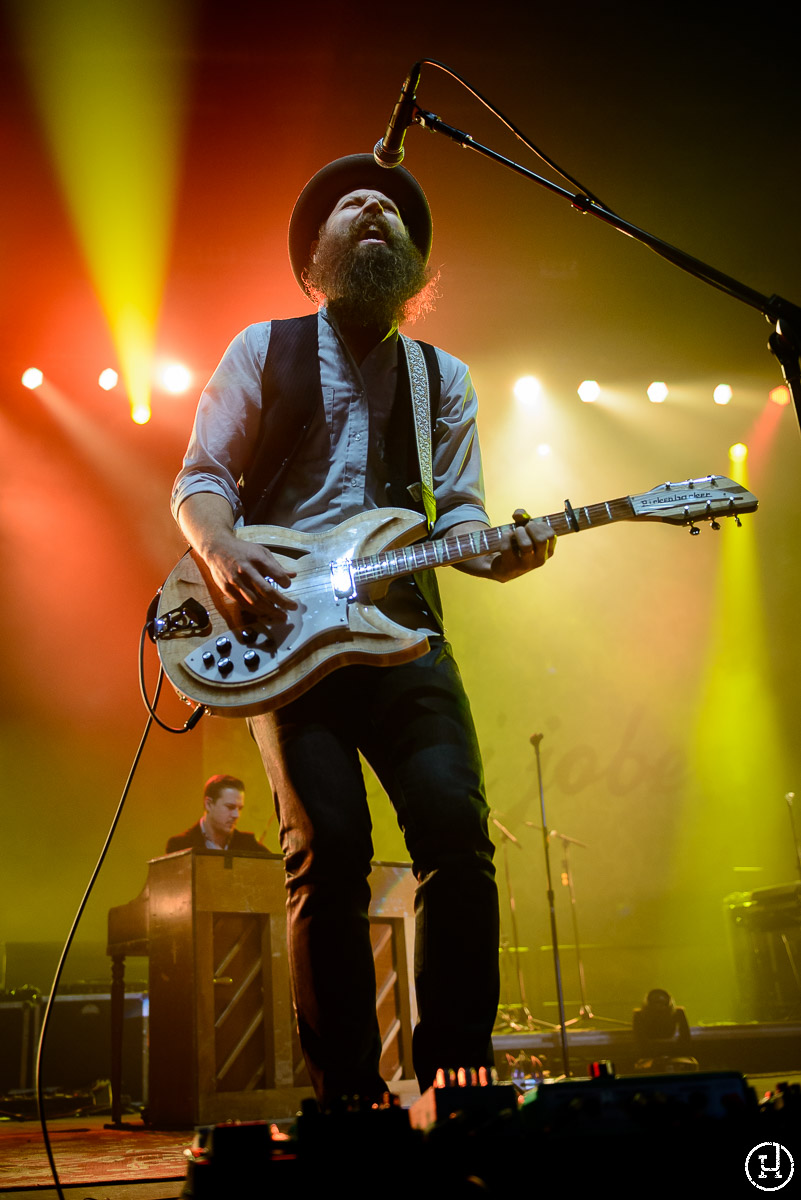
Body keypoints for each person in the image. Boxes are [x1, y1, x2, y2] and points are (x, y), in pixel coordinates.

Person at [171, 153, 557, 1106]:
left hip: (401, 632)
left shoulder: (443, 380)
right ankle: (348, 1092)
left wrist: (498, 551)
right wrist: (219, 553)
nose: (374, 205)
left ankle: (459, 1072)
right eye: (352, 203)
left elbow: (459, 518)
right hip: (287, 644)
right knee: (329, 851)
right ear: (315, 257)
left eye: (392, 207)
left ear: (417, 266)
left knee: (454, 835)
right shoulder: (261, 349)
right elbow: (200, 479)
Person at [165, 773, 272, 855]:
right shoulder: (179, 846)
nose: (236, 815)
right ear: (208, 804)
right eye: (230, 807)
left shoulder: (250, 846)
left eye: (240, 808)